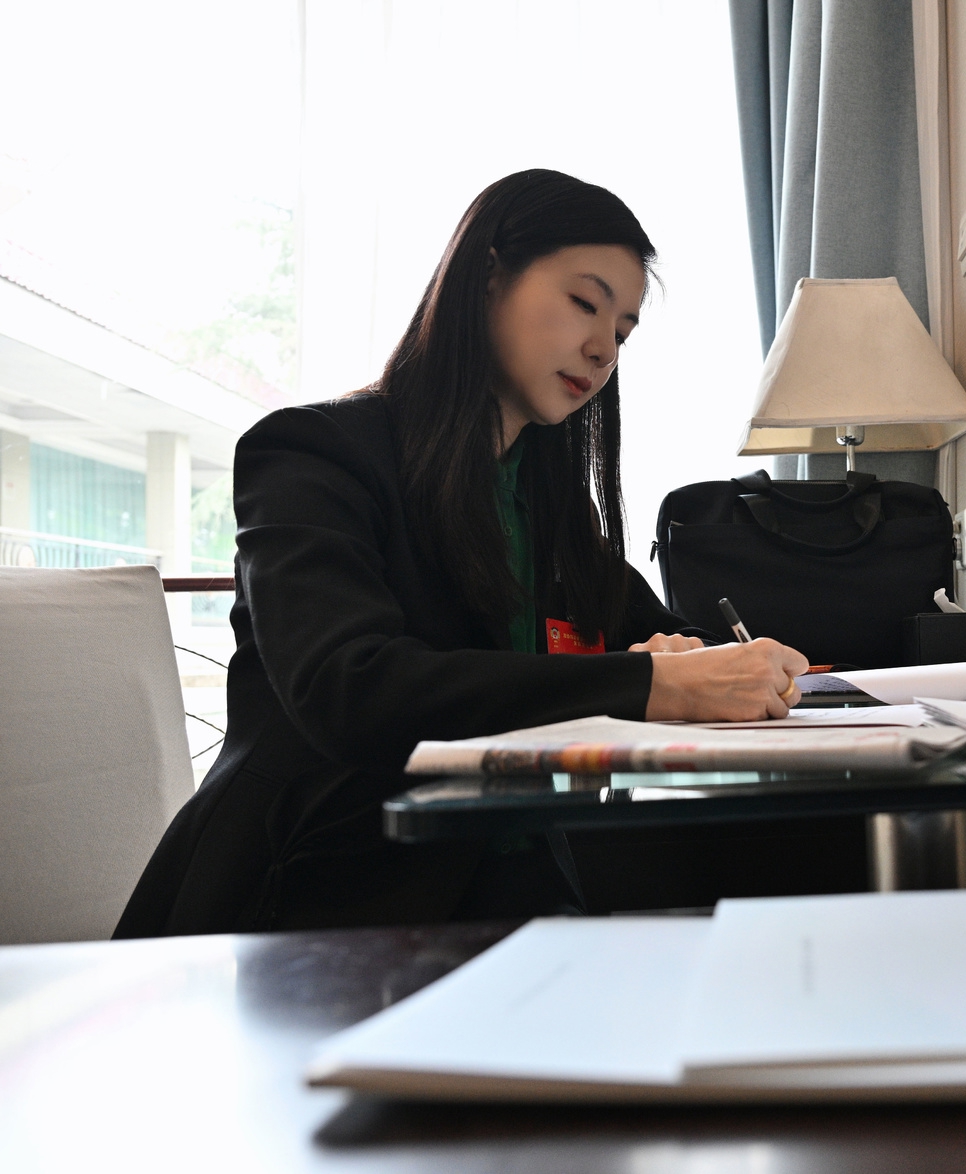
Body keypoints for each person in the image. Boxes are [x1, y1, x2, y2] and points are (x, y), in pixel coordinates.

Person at [115, 170, 810, 937]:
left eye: (622, 333)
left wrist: (704, 661)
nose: (601, 349)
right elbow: (353, 689)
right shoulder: (315, 454)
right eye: (584, 303)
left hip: (515, 886)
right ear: (487, 277)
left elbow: (658, 638)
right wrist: (653, 683)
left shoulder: (547, 503)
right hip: (314, 899)